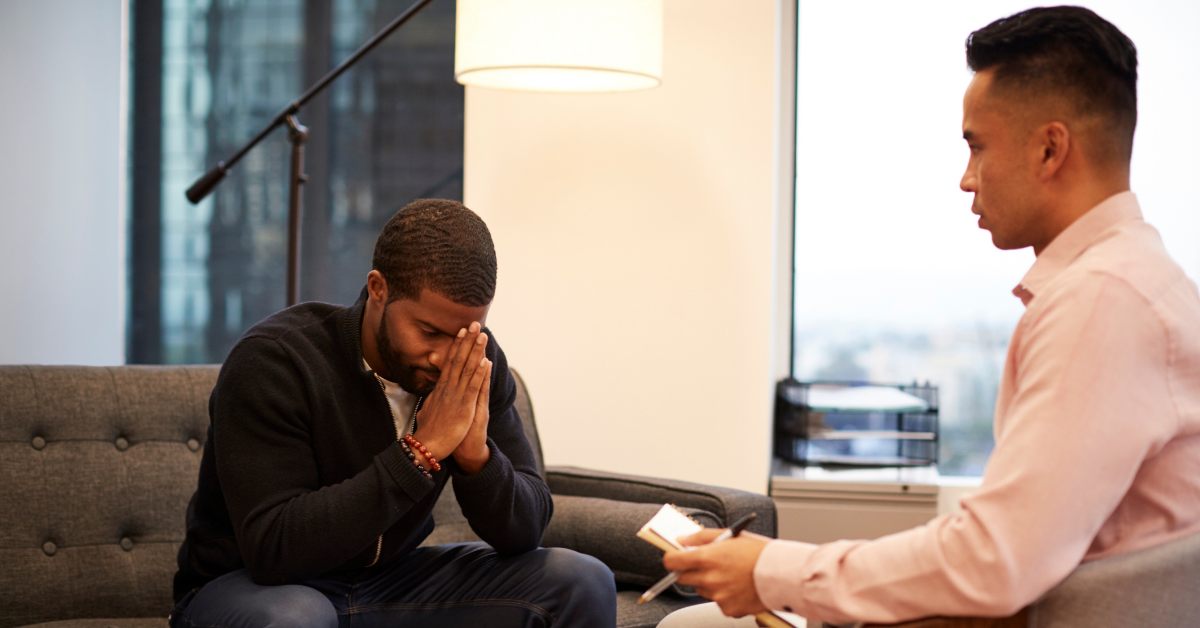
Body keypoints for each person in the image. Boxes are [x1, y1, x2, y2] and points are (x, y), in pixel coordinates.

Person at [658, 6, 1200, 627]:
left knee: (687, 623)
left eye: (977, 146)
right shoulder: (1141, 282)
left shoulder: (1104, 303)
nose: (965, 179)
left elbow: (993, 563)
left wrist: (770, 571)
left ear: (1050, 149)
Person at [171, 199, 617, 628]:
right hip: (252, 590)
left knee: (581, 581)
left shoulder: (474, 367)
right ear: (378, 289)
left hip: (386, 584)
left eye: (463, 333)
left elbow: (525, 533)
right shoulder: (275, 361)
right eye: (428, 331)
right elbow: (274, 550)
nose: (444, 357)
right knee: (296, 617)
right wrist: (419, 454)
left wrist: (477, 458)